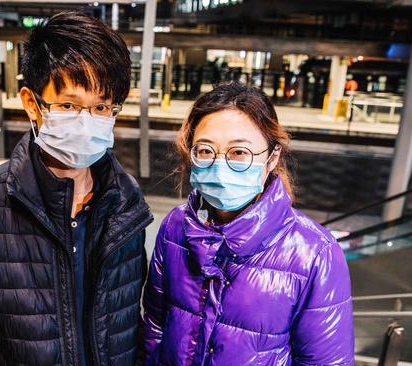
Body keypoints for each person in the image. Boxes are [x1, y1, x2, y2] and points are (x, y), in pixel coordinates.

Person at [0, 12, 153, 366]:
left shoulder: (126, 203)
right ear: (31, 103)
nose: (87, 121)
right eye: (69, 105)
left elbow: (128, 324)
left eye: (101, 106)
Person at [142, 82, 354, 365]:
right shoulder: (175, 228)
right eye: (205, 150)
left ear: (272, 157)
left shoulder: (314, 253)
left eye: (239, 153)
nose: (219, 165)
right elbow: (155, 325)